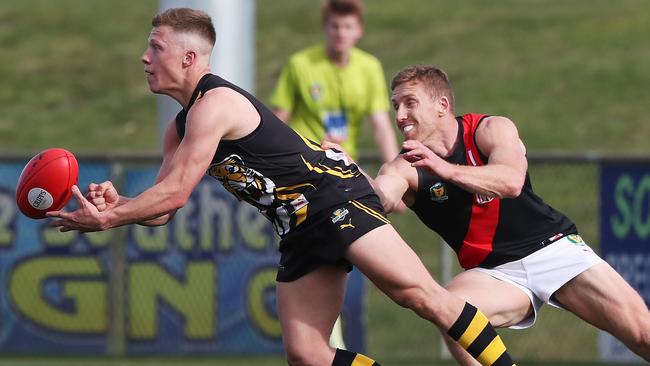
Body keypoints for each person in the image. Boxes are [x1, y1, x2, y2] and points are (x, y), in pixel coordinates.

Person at [47, 8, 518, 366]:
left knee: (422, 297)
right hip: (299, 226)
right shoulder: (181, 126)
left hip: (335, 201)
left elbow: (173, 194)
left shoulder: (216, 104)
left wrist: (109, 218)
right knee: (308, 355)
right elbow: (162, 207)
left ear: (188, 57)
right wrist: (121, 204)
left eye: (156, 47)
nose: (145, 58)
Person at [328, 64, 650, 364]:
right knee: (450, 310)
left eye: (409, 103)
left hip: (553, 248)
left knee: (642, 334)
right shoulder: (404, 165)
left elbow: (510, 182)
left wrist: (445, 169)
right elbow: (382, 198)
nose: (400, 115)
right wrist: (351, 171)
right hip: (495, 273)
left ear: (442, 105)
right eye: (395, 105)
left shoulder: (489, 129)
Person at [269, 0, 398, 164]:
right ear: (324, 27)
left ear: (359, 30)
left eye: (348, 27)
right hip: (304, 160)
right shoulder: (299, 63)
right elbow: (278, 121)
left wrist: (395, 171)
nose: (341, 33)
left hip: (346, 162)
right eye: (335, 26)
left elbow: (381, 127)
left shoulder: (370, 67)